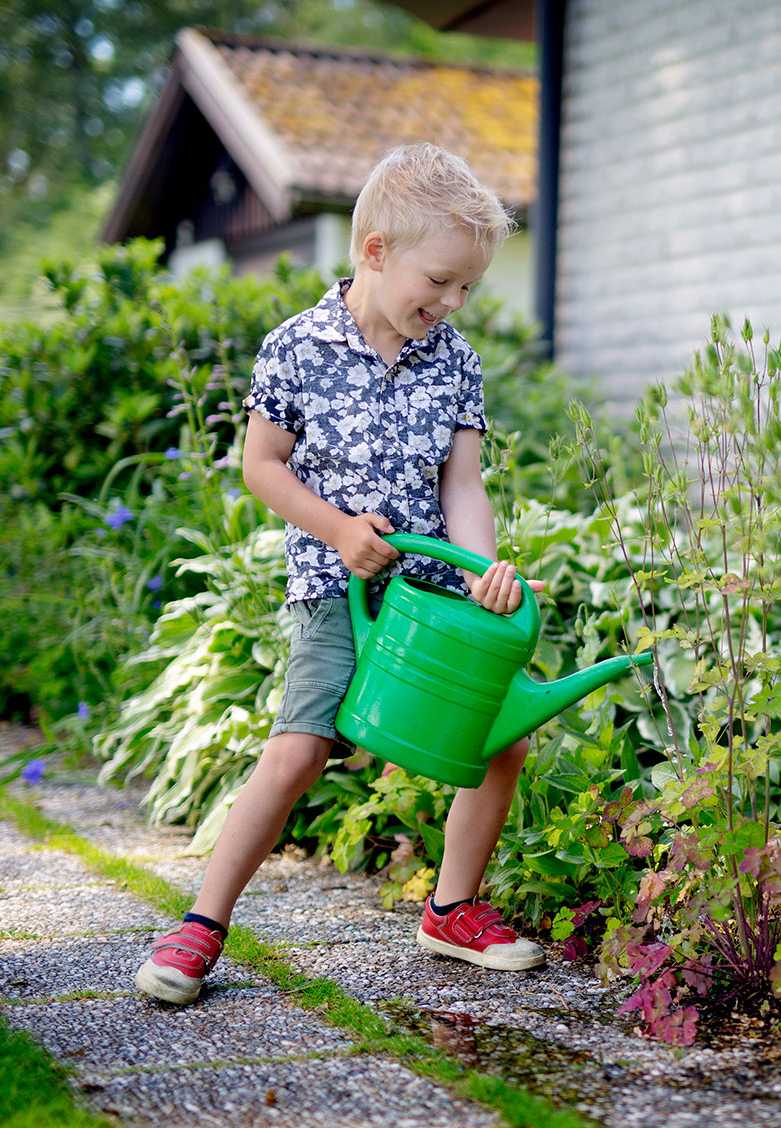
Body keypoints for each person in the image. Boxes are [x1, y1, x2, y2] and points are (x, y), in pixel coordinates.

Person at [136, 144, 547, 1006]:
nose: (452, 303)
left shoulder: (455, 359)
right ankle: (200, 926)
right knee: (297, 752)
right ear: (374, 251)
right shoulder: (295, 348)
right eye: (440, 281)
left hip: (432, 600)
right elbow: (262, 466)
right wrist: (338, 532)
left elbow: (461, 484)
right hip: (337, 594)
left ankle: (451, 909)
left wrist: (484, 569)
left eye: (468, 288)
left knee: (504, 738)